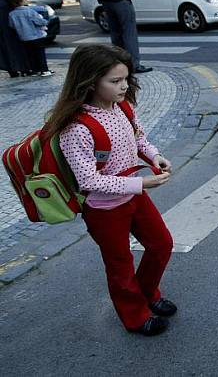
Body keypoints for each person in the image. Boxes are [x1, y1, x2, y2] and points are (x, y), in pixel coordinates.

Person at [42, 44, 174, 336]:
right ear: (89, 82)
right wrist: (141, 183)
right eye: (115, 81)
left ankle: (148, 292)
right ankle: (135, 316)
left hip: (133, 195)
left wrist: (154, 156)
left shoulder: (122, 107)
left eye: (126, 78)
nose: (124, 86)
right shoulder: (76, 128)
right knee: (120, 264)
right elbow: (88, 181)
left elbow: (139, 139)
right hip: (105, 209)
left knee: (161, 244)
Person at [8, 0, 53, 77]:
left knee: (30, 55)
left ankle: (34, 70)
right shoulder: (30, 11)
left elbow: (12, 25)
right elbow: (39, 22)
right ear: (22, 1)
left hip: (24, 38)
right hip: (36, 36)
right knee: (40, 54)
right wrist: (46, 21)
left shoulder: (12, 14)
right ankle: (44, 70)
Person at [0, 0, 31, 78]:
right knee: (14, 42)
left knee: (3, 44)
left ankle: (10, 69)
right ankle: (22, 67)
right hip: (6, 11)